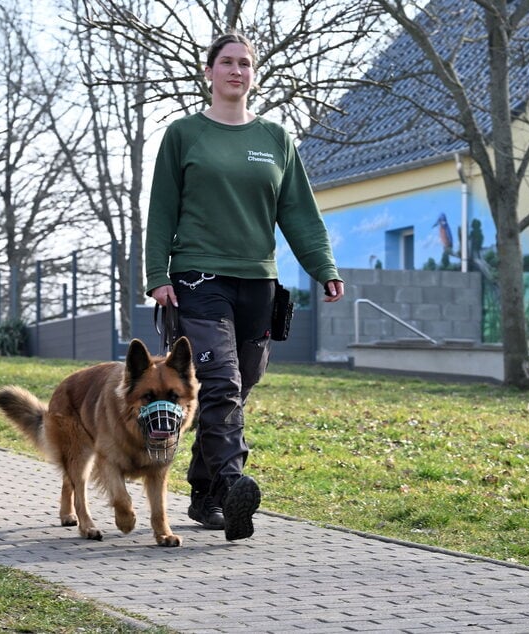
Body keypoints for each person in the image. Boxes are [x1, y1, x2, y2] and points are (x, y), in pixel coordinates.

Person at [145, 31, 344, 541]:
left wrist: (324, 267)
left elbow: (299, 212)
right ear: (209, 72)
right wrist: (156, 276)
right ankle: (234, 487)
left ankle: (205, 493)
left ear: (253, 75)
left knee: (239, 387)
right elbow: (161, 209)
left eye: (245, 64)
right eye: (227, 62)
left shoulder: (275, 139)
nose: (236, 71)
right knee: (220, 385)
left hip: (259, 282)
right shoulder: (183, 134)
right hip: (198, 277)